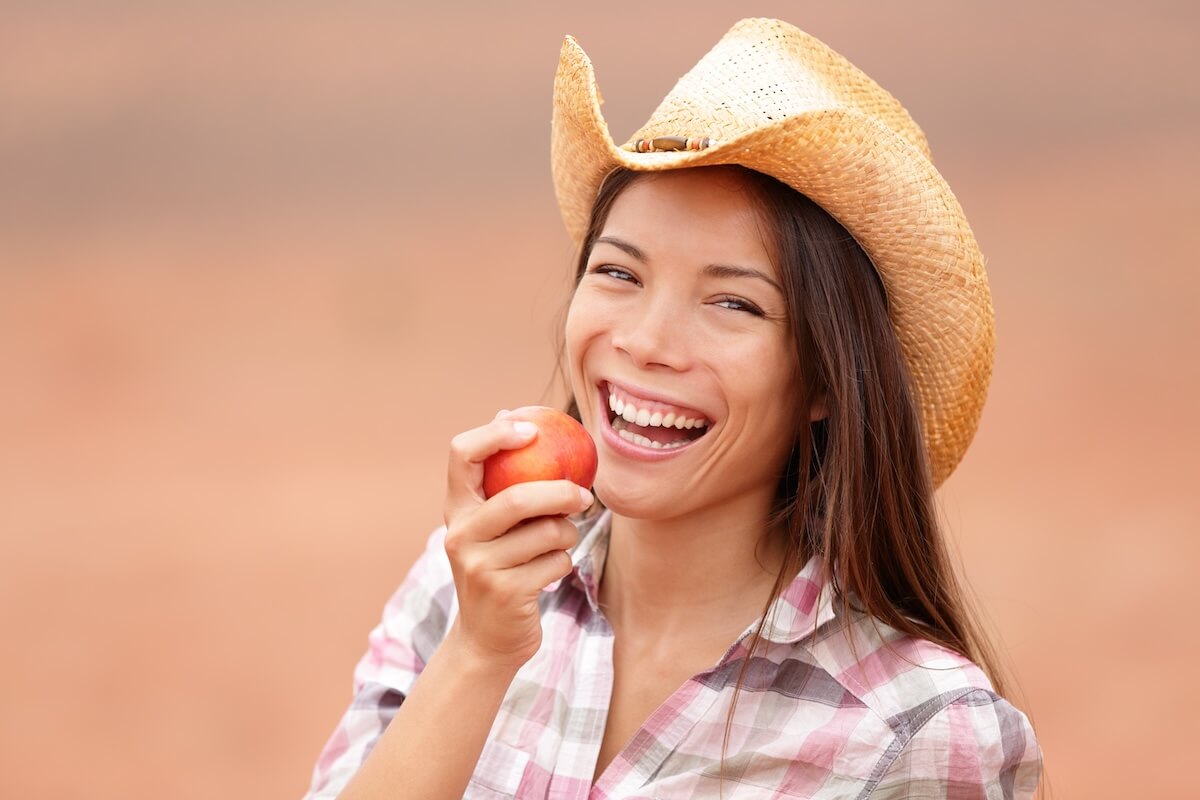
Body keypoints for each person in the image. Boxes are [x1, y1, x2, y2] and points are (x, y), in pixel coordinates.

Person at [303, 17, 1042, 800]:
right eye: (620, 274)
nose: (647, 341)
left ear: (827, 382)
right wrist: (478, 654)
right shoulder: (465, 589)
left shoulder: (915, 737)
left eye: (732, 302)